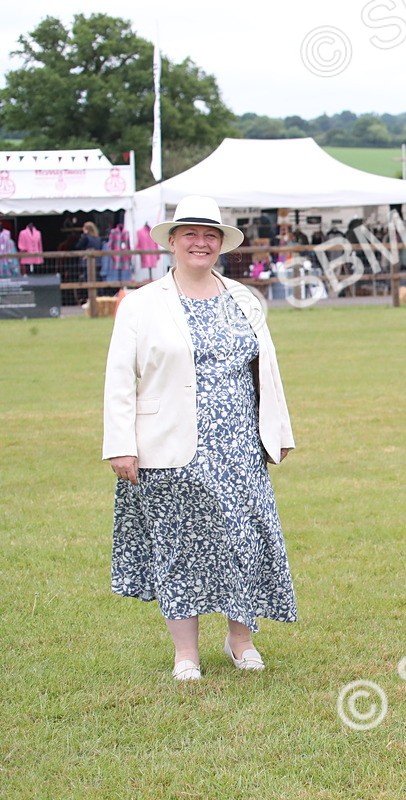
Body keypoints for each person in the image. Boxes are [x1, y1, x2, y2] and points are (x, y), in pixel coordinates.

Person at [102, 195, 297, 682]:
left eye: (210, 235)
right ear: (172, 241)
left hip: (239, 447)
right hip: (168, 446)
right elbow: (119, 378)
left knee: (242, 543)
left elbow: (266, 369)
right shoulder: (141, 304)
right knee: (178, 550)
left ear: (221, 244)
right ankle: (185, 654)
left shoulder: (244, 299)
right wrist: (120, 444)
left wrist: (279, 430)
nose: (200, 242)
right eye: (190, 233)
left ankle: (241, 641)